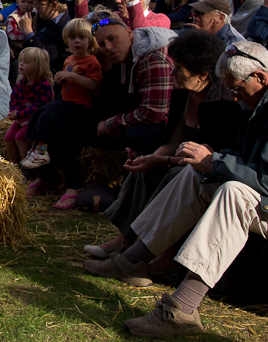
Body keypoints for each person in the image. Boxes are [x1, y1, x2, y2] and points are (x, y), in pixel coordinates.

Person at [83, 41, 268, 337]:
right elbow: (247, 158)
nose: (234, 97)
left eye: (237, 89)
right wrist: (212, 159)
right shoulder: (257, 105)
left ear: (260, 77)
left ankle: (182, 308)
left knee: (233, 193)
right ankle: (134, 259)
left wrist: (217, 163)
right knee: (194, 174)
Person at [84, 30, 241, 267]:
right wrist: (152, 158)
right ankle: (125, 239)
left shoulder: (224, 106)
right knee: (145, 170)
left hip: (205, 170)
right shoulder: (182, 95)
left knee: (173, 174)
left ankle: (152, 251)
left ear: (202, 75)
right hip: (182, 160)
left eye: (179, 68)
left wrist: (162, 161)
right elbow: (174, 141)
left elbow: (210, 158)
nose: (172, 72)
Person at [31, 13, 174, 209]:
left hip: (162, 130)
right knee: (61, 121)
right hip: (127, 114)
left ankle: (141, 191)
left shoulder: (152, 59)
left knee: (135, 135)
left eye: (112, 39)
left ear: (129, 33)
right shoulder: (118, 56)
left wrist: (110, 124)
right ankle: (66, 184)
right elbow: (109, 94)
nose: (108, 47)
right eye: (102, 43)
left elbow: (153, 113)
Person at [20, 19, 103, 191]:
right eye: (72, 38)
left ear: (90, 40)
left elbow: (95, 86)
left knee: (52, 118)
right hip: (65, 102)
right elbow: (69, 84)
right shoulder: (69, 59)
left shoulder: (91, 62)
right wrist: (61, 79)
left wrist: (73, 77)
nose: (77, 41)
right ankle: (35, 149)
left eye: (82, 37)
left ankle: (41, 150)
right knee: (40, 113)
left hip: (80, 107)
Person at [4, 47, 54, 164]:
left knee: (20, 137)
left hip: (35, 121)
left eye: (26, 62)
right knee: (8, 138)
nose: (20, 64)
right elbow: (14, 98)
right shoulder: (21, 82)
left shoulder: (44, 86)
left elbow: (38, 108)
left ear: (38, 66)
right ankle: (14, 166)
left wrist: (18, 114)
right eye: (20, 61)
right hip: (21, 118)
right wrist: (14, 110)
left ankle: (26, 167)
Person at [20, 0, 73, 71]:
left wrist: (29, 31)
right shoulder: (43, 17)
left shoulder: (65, 28)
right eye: (36, 4)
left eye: (41, 4)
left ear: (54, 6)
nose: (36, 8)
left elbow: (47, 55)